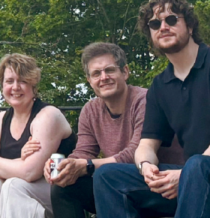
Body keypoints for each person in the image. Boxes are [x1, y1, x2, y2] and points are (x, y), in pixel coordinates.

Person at [94, 0, 210, 218]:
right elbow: (147, 145)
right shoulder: (160, 85)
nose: (163, 27)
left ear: (189, 26)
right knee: (109, 176)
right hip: (194, 178)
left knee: (197, 166)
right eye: (155, 24)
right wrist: (146, 168)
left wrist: (184, 175)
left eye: (171, 20)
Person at [18, 43, 182, 218]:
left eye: (109, 70)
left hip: (162, 182)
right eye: (96, 73)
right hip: (117, 182)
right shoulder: (90, 110)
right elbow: (84, 151)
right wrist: (66, 166)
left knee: (107, 175)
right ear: (89, 80)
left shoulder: (145, 100)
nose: (104, 77)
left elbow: (134, 153)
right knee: (65, 185)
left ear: (125, 72)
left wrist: (87, 165)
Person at [0, 53, 74, 218]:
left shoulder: (48, 116)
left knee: (13, 185)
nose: (15, 87)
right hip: (17, 196)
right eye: (9, 81)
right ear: (2, 86)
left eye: (23, 81)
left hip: (60, 192)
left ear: (34, 86)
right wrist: (20, 163)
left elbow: (30, 173)